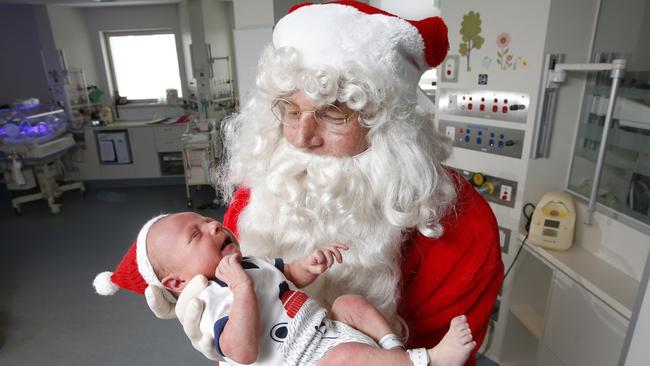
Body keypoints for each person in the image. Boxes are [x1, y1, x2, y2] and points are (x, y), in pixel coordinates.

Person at [145, 2, 504, 366]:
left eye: (333, 113)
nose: (301, 138)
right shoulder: (264, 188)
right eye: (290, 109)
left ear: (387, 125)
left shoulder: (464, 223)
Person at [94, 212, 477, 366]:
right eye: (197, 235)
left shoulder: (248, 263)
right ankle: (427, 361)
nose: (214, 228)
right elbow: (241, 352)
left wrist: (308, 265)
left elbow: (288, 273)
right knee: (346, 358)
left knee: (349, 302)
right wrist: (241, 289)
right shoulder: (212, 301)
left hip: (324, 328)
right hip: (304, 359)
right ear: (177, 282)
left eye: (209, 222)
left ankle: (392, 350)